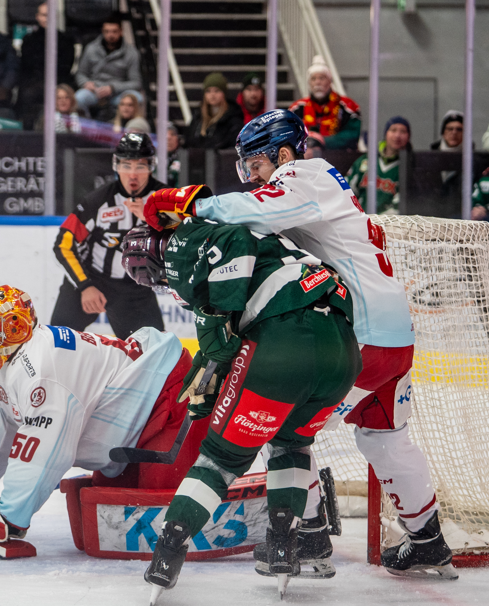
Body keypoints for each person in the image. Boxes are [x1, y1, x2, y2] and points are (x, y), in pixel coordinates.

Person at [151, 109, 458, 580]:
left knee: (287, 428)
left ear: (284, 153)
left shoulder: (303, 175)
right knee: (385, 439)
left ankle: (309, 539)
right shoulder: (324, 186)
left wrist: (192, 205)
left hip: (359, 333)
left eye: (255, 165)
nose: (253, 177)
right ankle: (428, 542)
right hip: (395, 336)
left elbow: (255, 210)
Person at [136, 190, 361, 600]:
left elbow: (223, 339)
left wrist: (213, 358)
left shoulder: (189, 238)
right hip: (342, 353)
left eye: (151, 273)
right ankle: (282, 547)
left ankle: (167, 553)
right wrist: (206, 372)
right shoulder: (267, 245)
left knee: (221, 459)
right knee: (291, 445)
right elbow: (223, 341)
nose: (161, 283)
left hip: (284, 344)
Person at [0, 284, 195, 557]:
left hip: (172, 396)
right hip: (142, 405)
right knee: (116, 510)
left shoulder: (41, 368)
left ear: (13, 327)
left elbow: (45, 449)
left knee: (169, 512)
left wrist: (7, 518)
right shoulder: (10, 357)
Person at [49, 132, 165, 339]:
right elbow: (63, 245)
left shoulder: (165, 199)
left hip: (135, 289)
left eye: (140, 166)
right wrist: (85, 286)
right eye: (126, 165)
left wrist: (151, 219)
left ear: (151, 166)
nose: (133, 174)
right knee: (59, 340)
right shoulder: (97, 201)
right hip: (91, 278)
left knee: (155, 351)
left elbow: (185, 239)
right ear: (116, 165)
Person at [16, 2, 76, 130]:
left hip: (58, 81)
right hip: (35, 82)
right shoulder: (29, 40)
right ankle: (29, 135)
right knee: (28, 94)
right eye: (44, 15)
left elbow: (65, 66)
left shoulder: (66, 40)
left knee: (64, 93)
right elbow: (27, 65)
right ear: (38, 17)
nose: (47, 18)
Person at [74, 15, 142, 118]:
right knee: (78, 98)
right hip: (94, 91)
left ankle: (124, 128)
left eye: (114, 31)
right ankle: (86, 130)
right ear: (102, 31)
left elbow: (136, 83)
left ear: (121, 31)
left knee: (138, 98)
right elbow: (81, 73)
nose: (110, 35)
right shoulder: (91, 49)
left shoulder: (131, 53)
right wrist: (85, 83)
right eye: (107, 31)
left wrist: (113, 88)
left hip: (118, 93)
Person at [289, 55, 361, 150]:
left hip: (338, 158)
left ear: (329, 81)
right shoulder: (297, 108)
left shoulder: (347, 106)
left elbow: (352, 134)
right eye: (313, 79)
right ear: (309, 83)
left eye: (322, 78)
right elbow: (289, 133)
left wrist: (322, 140)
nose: (317, 82)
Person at [347, 116, 412, 215]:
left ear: (408, 137)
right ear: (386, 133)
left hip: (390, 226)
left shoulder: (410, 167)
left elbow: (402, 205)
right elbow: (347, 190)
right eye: (393, 130)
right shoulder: (366, 160)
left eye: (403, 131)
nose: (397, 135)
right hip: (358, 221)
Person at [185, 72, 243, 150]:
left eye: (217, 91)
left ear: (224, 93)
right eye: (208, 91)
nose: (212, 95)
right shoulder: (197, 119)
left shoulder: (233, 120)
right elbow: (188, 144)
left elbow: (233, 149)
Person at [165, 122, 182, 187]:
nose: (168, 137)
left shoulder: (184, 159)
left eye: (172, 134)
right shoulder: (154, 159)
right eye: (164, 133)